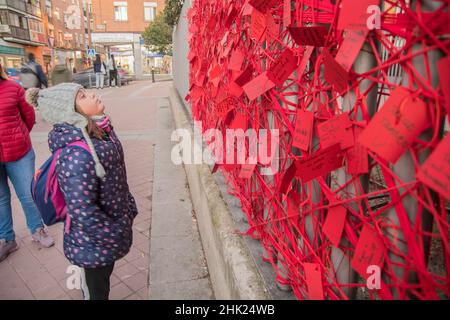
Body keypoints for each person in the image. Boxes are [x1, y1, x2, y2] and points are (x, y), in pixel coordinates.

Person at [25, 83, 138, 300]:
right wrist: (112, 234)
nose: (92, 95)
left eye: (87, 91)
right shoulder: (76, 154)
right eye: (82, 96)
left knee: (103, 280)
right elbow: (82, 209)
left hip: (108, 234)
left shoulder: (100, 131)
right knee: (97, 291)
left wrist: (128, 207)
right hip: (92, 243)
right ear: (70, 112)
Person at [0, 63, 55, 262]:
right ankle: (6, 239)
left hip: (19, 153)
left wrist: (19, 137)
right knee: (1, 198)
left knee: (28, 194)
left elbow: (29, 117)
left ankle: (37, 229)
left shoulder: (13, 88)